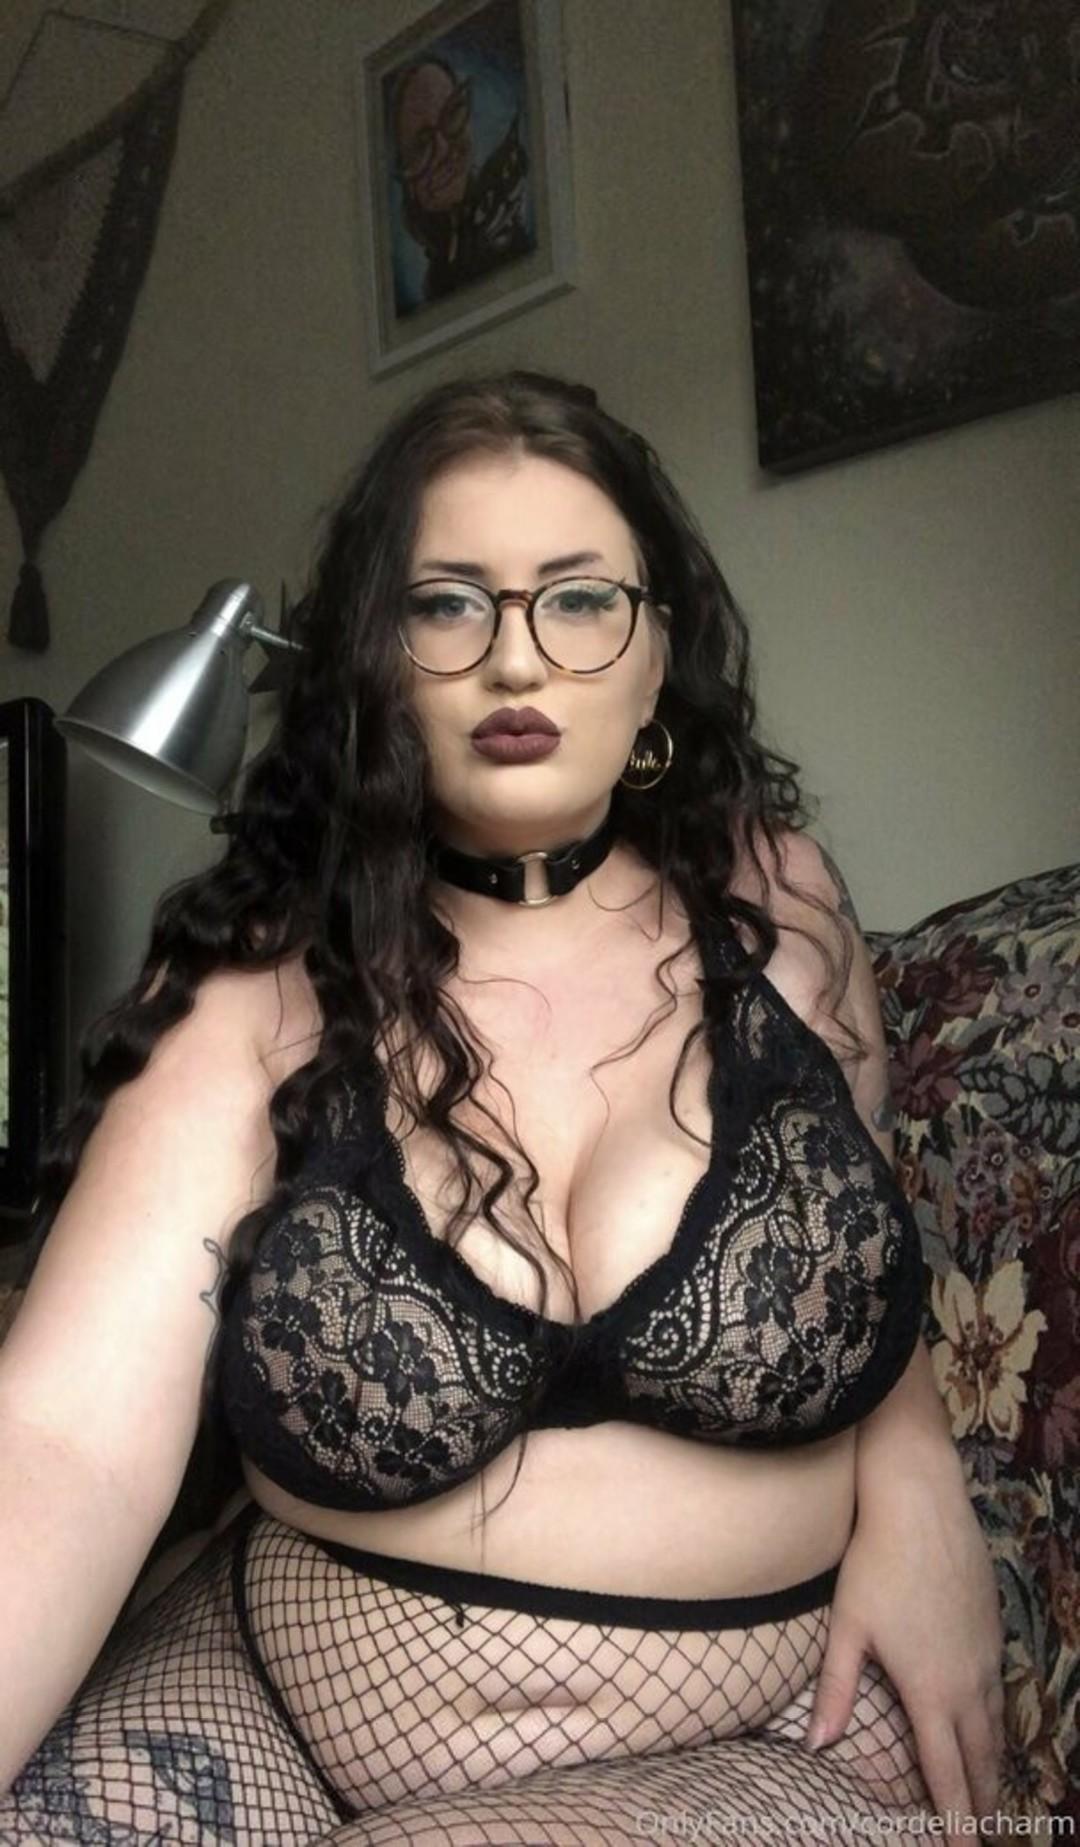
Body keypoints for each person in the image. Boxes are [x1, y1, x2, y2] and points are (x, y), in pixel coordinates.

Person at [0, 370, 1005, 1844]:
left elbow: (858, 1235)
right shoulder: (257, 990)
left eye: (580, 600)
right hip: (284, 1693)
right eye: (448, 604)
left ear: (658, 652)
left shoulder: (780, 911)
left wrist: (918, 1483)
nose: (516, 659)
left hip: (770, 1727)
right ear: (373, 661)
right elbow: (62, 1446)